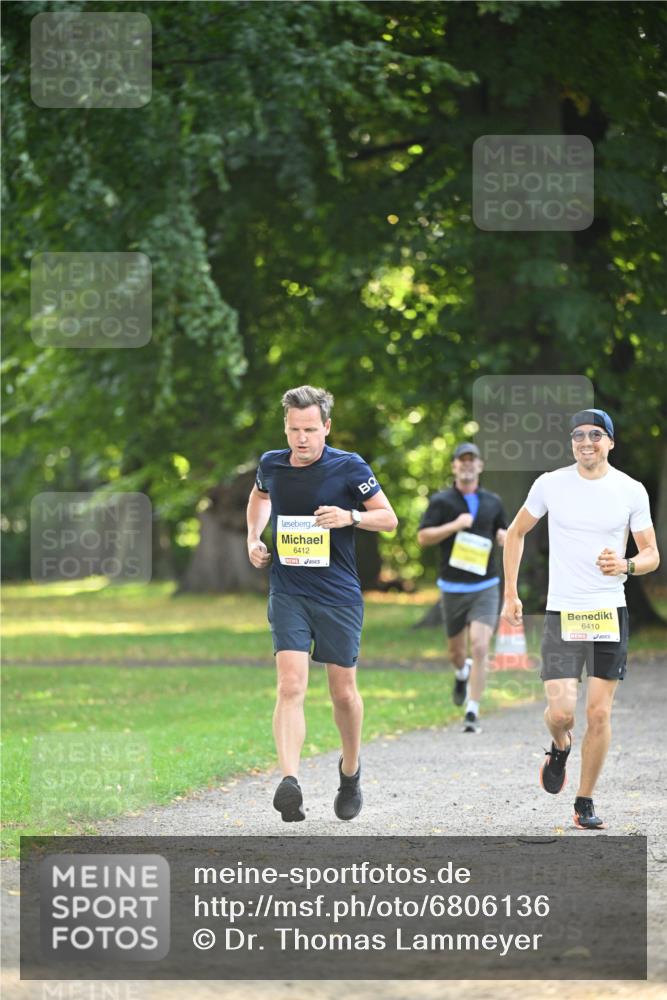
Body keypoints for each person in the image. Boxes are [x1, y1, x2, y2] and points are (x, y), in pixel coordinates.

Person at [502, 409, 659, 830]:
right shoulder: (550, 484)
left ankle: (584, 800)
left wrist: (625, 565)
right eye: (577, 435)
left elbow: (651, 555)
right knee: (562, 713)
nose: (585, 441)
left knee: (600, 713)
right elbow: (516, 532)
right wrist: (511, 593)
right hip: (563, 612)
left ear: (610, 441)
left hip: (609, 611)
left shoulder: (631, 490)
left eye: (595, 434)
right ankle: (559, 746)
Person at [246, 385, 398, 822]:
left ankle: (350, 773)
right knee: (290, 685)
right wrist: (254, 539)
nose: (302, 438)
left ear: (326, 427)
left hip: (338, 596)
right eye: (294, 429)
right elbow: (259, 497)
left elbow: (389, 519)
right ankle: (289, 781)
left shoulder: (350, 467)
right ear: (286, 427)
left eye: (311, 429)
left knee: (343, 693)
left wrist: (351, 516)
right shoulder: (271, 464)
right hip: (289, 589)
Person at [417, 442, 508, 733]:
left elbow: (502, 530)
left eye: (472, 461)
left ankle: (472, 709)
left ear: (480, 466)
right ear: (455, 466)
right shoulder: (442, 501)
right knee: (457, 653)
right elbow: (423, 537)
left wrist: (504, 536)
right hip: (453, 587)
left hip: (486, 585)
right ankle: (460, 672)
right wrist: (454, 525)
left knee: (480, 646)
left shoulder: (493, 501)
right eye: (462, 461)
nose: (467, 465)